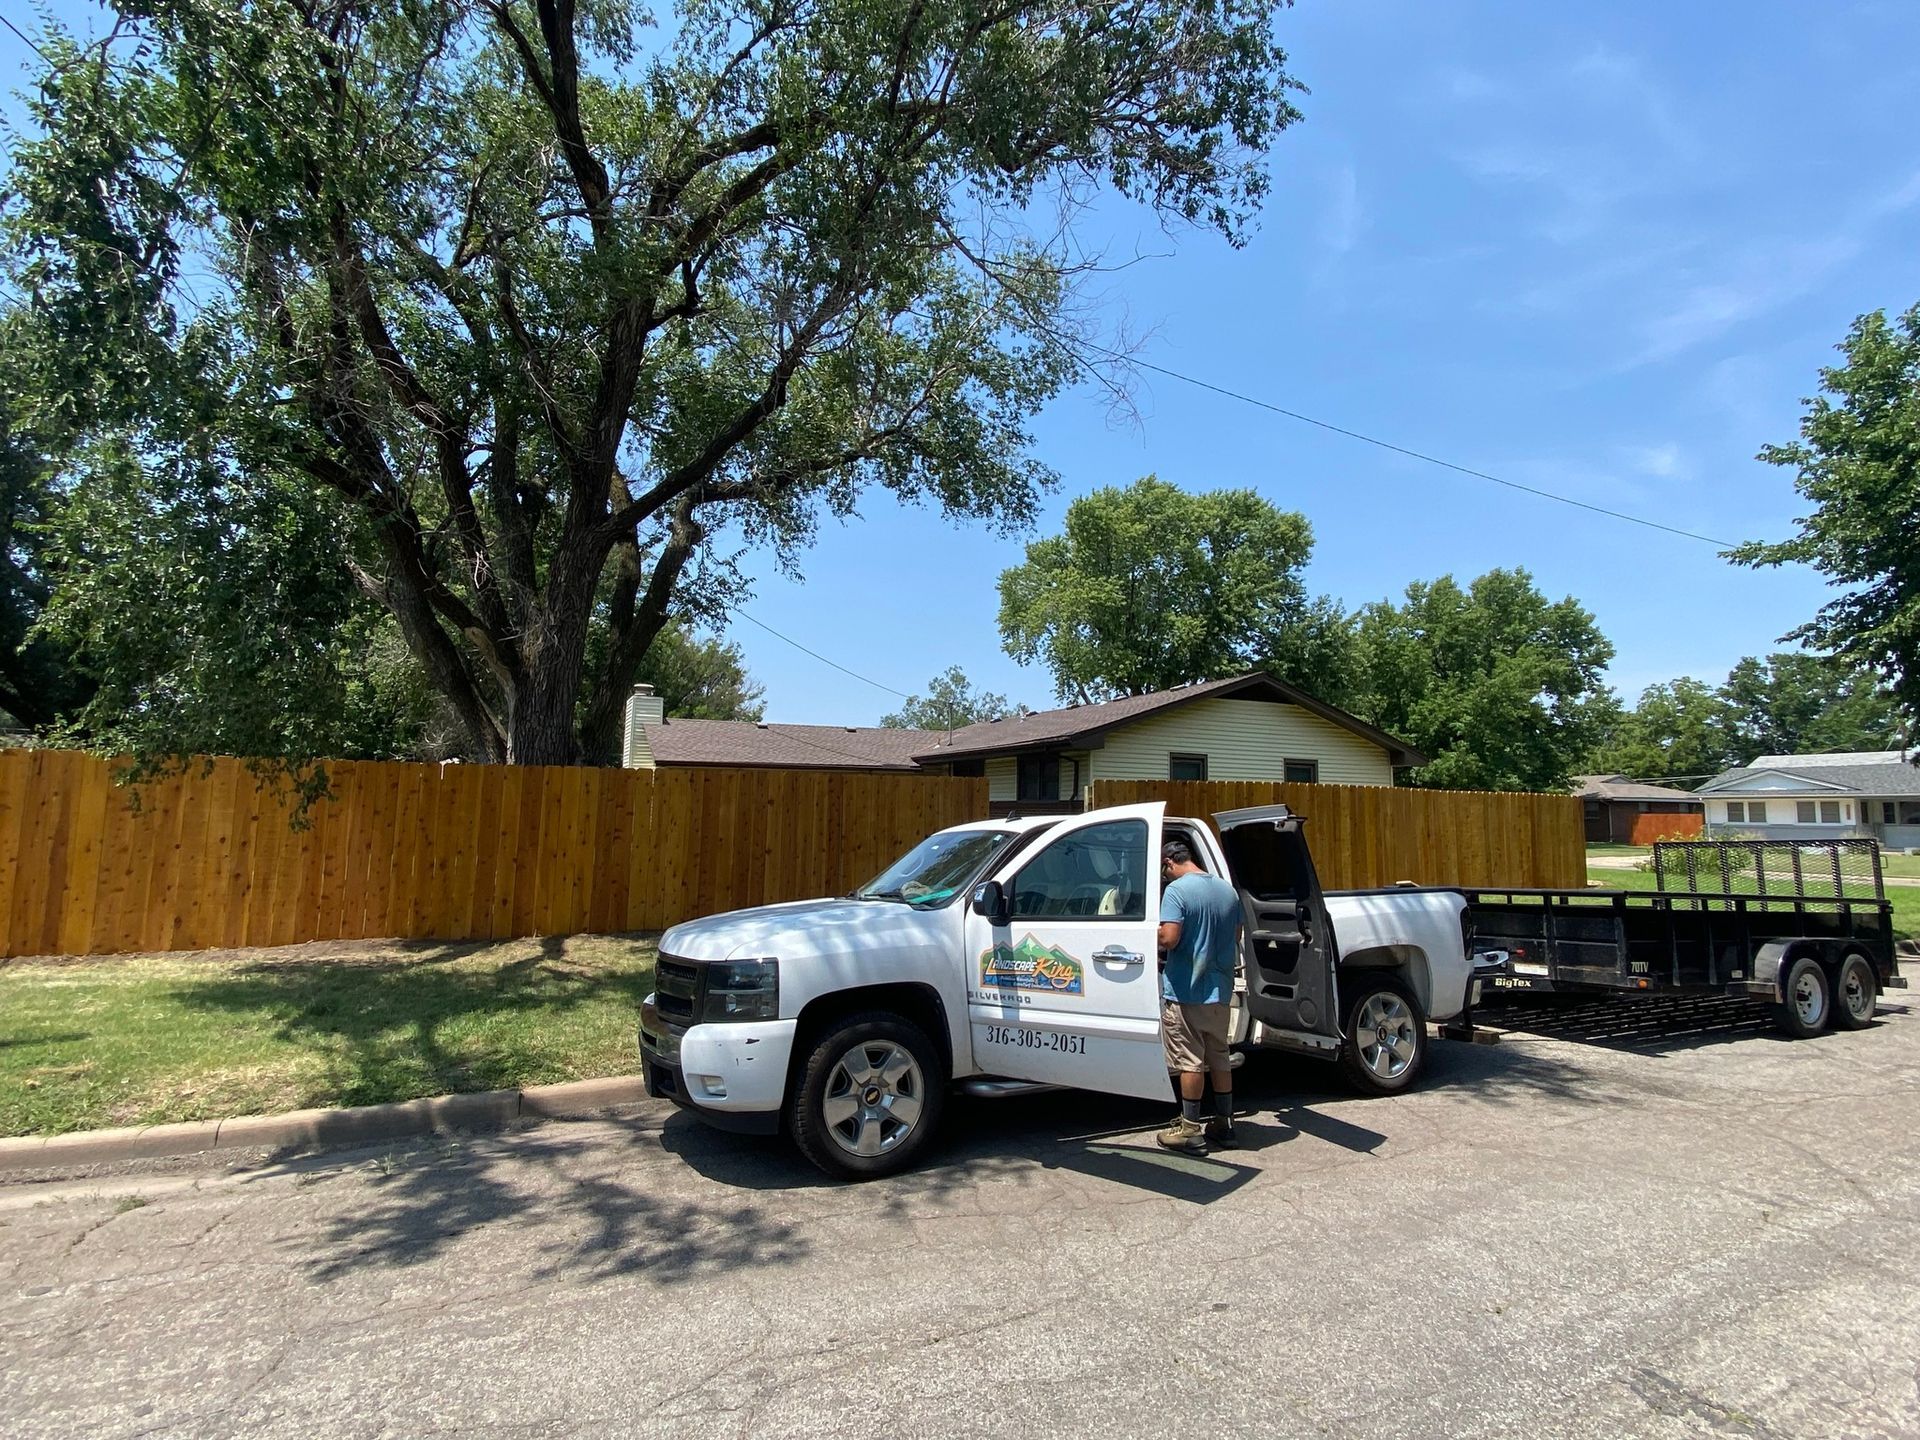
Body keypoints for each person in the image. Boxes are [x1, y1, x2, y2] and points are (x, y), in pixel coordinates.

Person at [1155, 837, 1244, 1153]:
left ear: (1169, 863)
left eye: (1164, 870)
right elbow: (1236, 935)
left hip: (1187, 991)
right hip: (1219, 990)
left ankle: (1190, 1129)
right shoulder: (1226, 890)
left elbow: (1170, 937)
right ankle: (1225, 1123)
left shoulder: (1177, 891)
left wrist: (1153, 932)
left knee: (1190, 1061)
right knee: (1219, 1056)